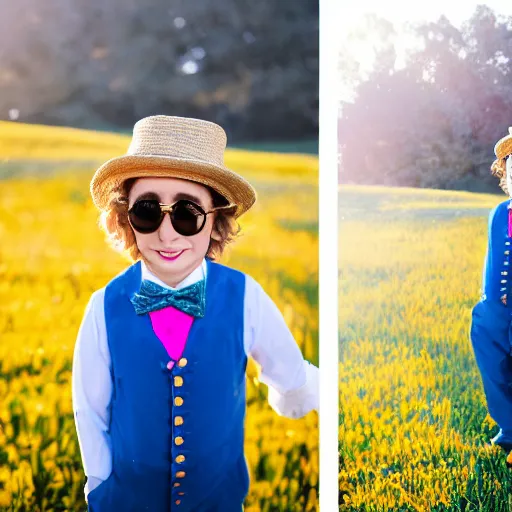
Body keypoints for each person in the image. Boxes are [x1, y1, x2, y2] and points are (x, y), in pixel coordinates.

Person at [71, 115, 319, 512]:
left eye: (187, 214)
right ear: (125, 219)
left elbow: (289, 373)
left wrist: (300, 397)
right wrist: (100, 487)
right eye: (148, 212)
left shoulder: (245, 297)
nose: (167, 235)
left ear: (216, 222)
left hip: (216, 500)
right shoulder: (104, 305)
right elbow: (90, 408)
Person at [471, 127, 512, 463]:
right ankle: (509, 428)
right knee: (493, 358)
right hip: (498, 309)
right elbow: (494, 259)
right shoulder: (500, 213)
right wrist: (490, 301)